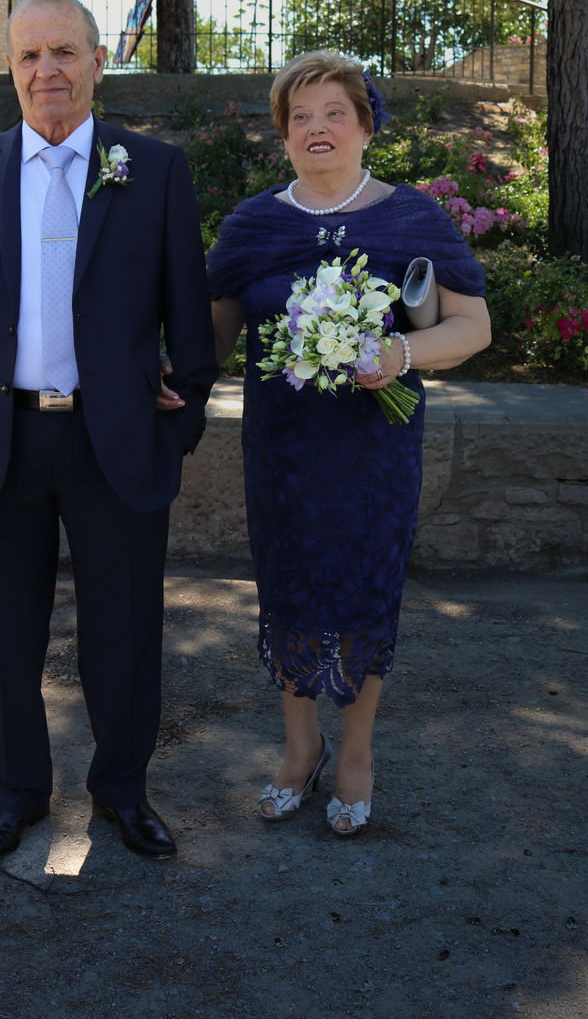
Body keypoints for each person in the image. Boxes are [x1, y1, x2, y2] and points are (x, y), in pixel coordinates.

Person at [0, 0, 216, 863]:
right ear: (10, 68)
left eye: (65, 52)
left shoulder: (151, 169)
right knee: (1, 635)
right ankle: (16, 795)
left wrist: (179, 417)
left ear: (96, 62)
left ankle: (123, 790)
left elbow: (188, 322)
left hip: (114, 440)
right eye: (28, 55)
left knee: (124, 627)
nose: (47, 69)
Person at [207, 51, 490, 835]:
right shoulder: (254, 224)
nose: (317, 127)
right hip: (285, 454)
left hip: (375, 452)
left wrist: (398, 354)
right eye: (300, 116)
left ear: (367, 125)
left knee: (366, 588)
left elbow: (474, 326)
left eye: (335, 111)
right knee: (289, 583)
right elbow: (212, 336)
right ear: (284, 136)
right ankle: (300, 746)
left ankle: (357, 750)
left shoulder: (411, 218)